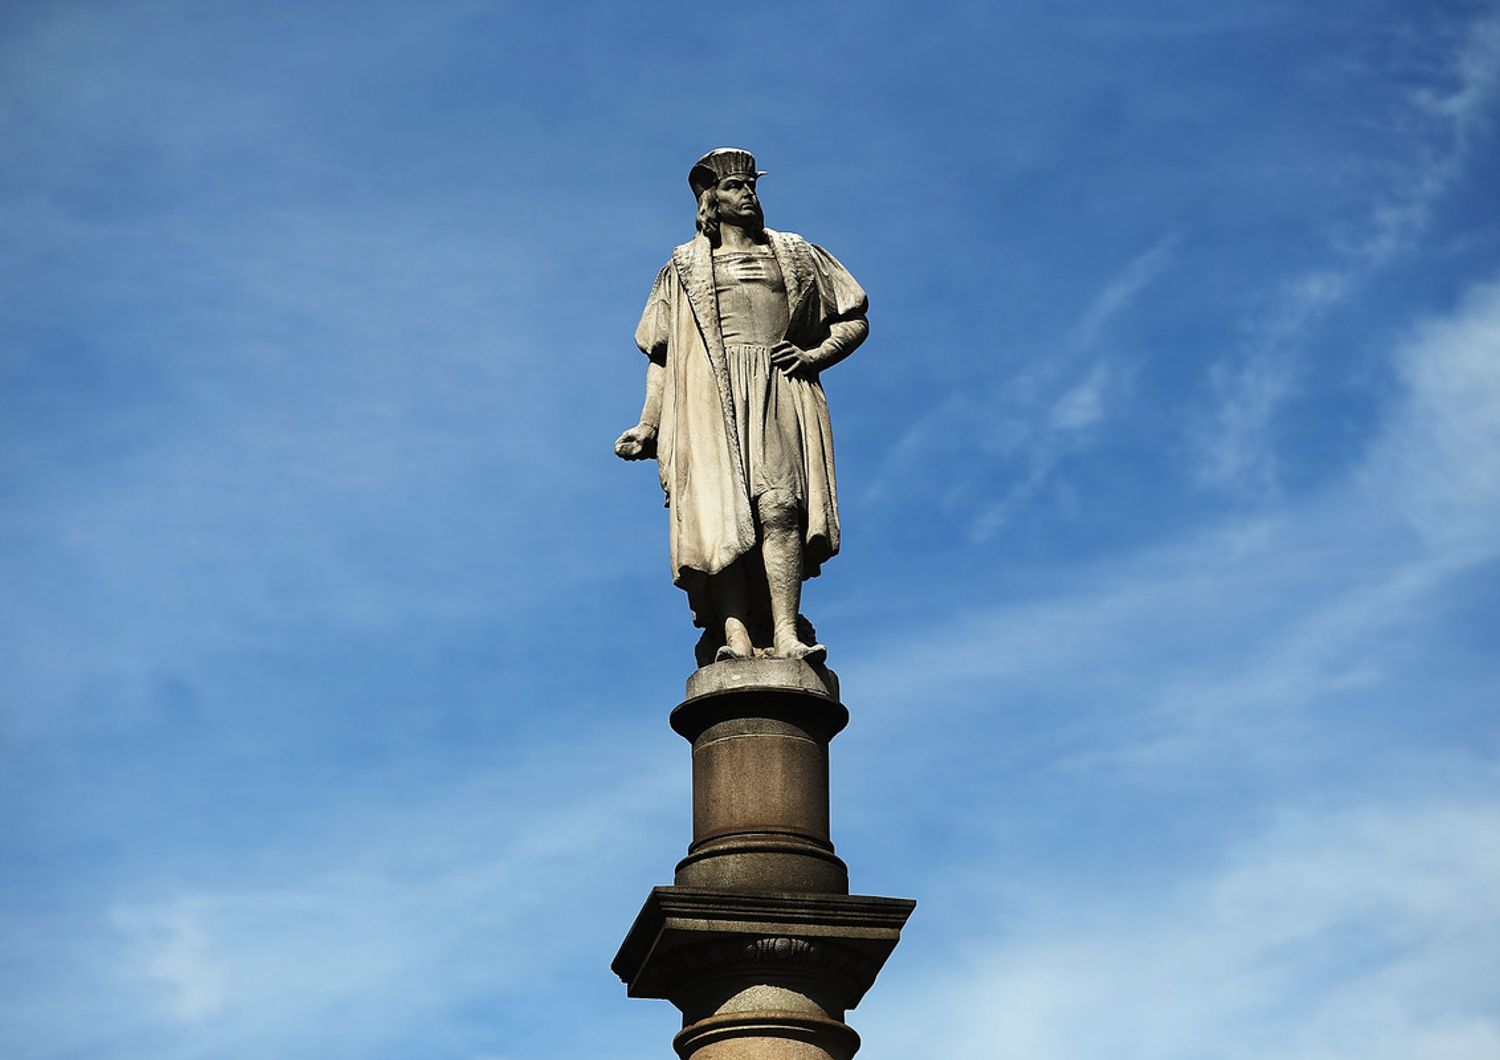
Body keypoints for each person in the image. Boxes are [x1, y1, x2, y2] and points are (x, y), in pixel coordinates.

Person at [615, 148, 868, 667]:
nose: (749, 193)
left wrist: (815, 354)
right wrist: (648, 423)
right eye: (735, 187)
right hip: (707, 398)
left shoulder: (796, 252)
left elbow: (853, 316)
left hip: (778, 387)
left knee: (780, 507)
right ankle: (735, 634)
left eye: (752, 186)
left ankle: (785, 630)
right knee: (719, 515)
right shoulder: (681, 269)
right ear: (712, 200)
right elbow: (662, 355)